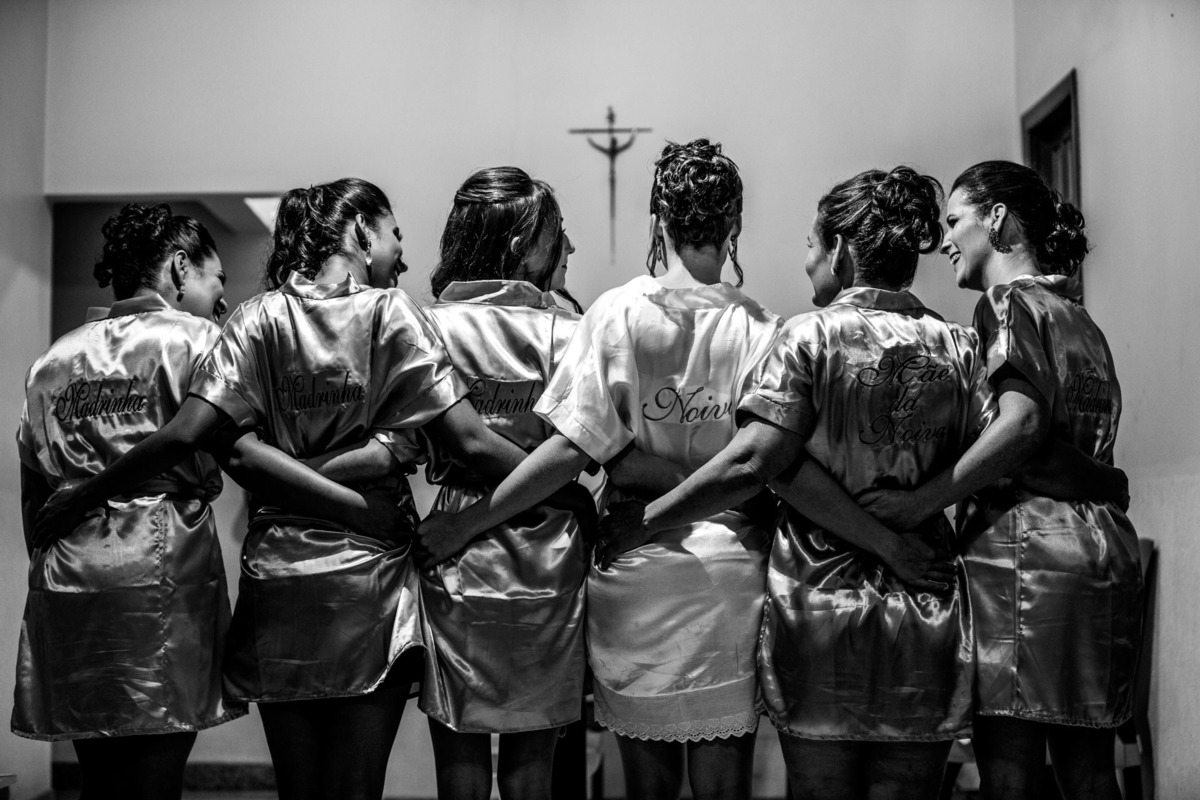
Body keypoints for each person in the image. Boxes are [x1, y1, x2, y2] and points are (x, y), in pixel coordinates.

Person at [32, 178, 572, 800]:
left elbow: (236, 451)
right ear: (361, 231)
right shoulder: (390, 313)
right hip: (369, 573)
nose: (402, 251)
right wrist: (356, 503)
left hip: (279, 576)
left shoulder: (254, 318)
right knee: (355, 788)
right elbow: (414, 446)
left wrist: (283, 477)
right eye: (394, 233)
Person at [598, 167, 986, 800]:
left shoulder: (807, 337)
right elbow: (995, 453)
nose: (807, 263)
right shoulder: (960, 347)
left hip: (822, 602)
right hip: (927, 597)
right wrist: (914, 512)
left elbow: (761, 462)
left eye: (811, 245)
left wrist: (647, 518)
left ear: (840, 249)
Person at [418, 140, 781, 800]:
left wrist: (471, 520)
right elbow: (757, 464)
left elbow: (579, 447)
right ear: (733, 224)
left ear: (658, 220)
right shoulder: (764, 328)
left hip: (631, 561)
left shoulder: (616, 312)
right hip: (728, 567)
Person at [860, 161, 1140, 800]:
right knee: (1090, 771)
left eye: (954, 221)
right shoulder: (1078, 317)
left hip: (1026, 557)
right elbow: (1075, 447)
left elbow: (1023, 427)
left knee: (1009, 773)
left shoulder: (1006, 303)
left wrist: (919, 502)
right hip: (1101, 554)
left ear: (995, 218)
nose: (944, 240)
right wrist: (1107, 480)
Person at [14, 203, 241, 800]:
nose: (222, 299)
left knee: (98, 777)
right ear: (180, 266)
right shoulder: (196, 339)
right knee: (155, 776)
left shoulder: (53, 360)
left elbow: (34, 495)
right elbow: (239, 449)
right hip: (160, 565)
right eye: (217, 279)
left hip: (68, 575)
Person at [412, 166, 588, 800]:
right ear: (521, 246)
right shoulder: (570, 331)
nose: (569, 246)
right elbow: (578, 455)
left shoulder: (426, 325)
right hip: (550, 546)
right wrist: (563, 489)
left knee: (457, 761)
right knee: (532, 773)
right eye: (557, 232)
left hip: (455, 546)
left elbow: (409, 443)